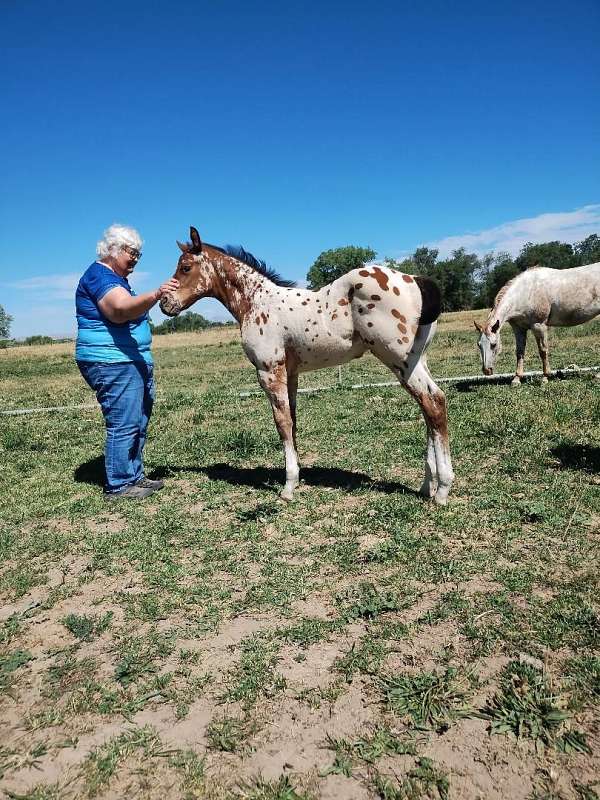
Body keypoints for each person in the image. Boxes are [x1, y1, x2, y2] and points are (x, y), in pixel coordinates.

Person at [75, 224, 179, 499]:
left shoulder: (116, 279)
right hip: (112, 361)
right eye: (131, 253)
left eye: (138, 255)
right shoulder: (99, 276)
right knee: (124, 421)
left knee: (138, 419)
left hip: (128, 359)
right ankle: (119, 484)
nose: (135, 259)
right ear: (113, 250)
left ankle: (134, 475)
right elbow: (119, 311)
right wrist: (156, 295)